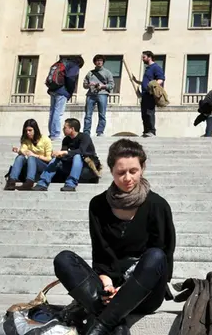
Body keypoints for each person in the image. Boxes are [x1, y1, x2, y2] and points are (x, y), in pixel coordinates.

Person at [52, 139, 175, 334]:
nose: (127, 178)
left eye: (133, 171)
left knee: (155, 256)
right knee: (64, 259)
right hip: (107, 288)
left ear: (142, 167)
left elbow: (163, 261)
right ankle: (116, 324)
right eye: (121, 172)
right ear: (111, 171)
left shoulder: (157, 205)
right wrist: (108, 285)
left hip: (146, 291)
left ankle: (101, 325)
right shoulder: (98, 205)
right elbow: (101, 256)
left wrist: (126, 289)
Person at [21, 118, 95, 192]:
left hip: (88, 166)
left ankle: (71, 184)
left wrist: (64, 152)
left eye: (65, 127)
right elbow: (64, 154)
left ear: (72, 129)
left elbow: (81, 151)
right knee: (55, 160)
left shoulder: (85, 137)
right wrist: (58, 155)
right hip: (72, 165)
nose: (63, 129)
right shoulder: (66, 140)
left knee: (77, 156)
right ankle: (42, 183)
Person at [4, 119, 53, 191]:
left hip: (43, 166)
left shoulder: (45, 139)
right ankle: (11, 181)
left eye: (30, 130)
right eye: (26, 130)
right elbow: (24, 151)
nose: (28, 132)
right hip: (30, 166)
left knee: (31, 157)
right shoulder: (26, 140)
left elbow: (49, 159)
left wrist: (35, 155)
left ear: (35, 130)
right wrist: (19, 151)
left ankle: (29, 182)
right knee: (20, 157)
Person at [48, 56, 84, 140]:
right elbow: (70, 78)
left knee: (52, 112)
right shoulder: (74, 65)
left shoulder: (59, 63)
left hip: (53, 89)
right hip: (62, 91)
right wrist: (70, 92)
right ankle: (56, 134)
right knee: (58, 113)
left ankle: (52, 133)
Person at [131, 51, 164, 137]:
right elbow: (145, 82)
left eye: (144, 57)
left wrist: (152, 87)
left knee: (149, 112)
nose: (142, 59)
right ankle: (146, 131)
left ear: (149, 57)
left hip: (150, 94)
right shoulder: (147, 68)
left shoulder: (156, 67)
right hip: (144, 94)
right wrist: (135, 81)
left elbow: (161, 79)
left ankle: (152, 131)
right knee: (144, 114)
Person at [82, 55, 114, 137]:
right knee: (88, 115)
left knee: (102, 114)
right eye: (97, 60)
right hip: (91, 94)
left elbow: (112, 85)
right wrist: (89, 85)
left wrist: (102, 86)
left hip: (102, 94)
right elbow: (84, 85)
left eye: (101, 60)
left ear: (103, 62)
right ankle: (86, 132)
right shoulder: (90, 73)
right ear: (95, 62)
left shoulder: (107, 72)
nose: (99, 62)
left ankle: (100, 132)